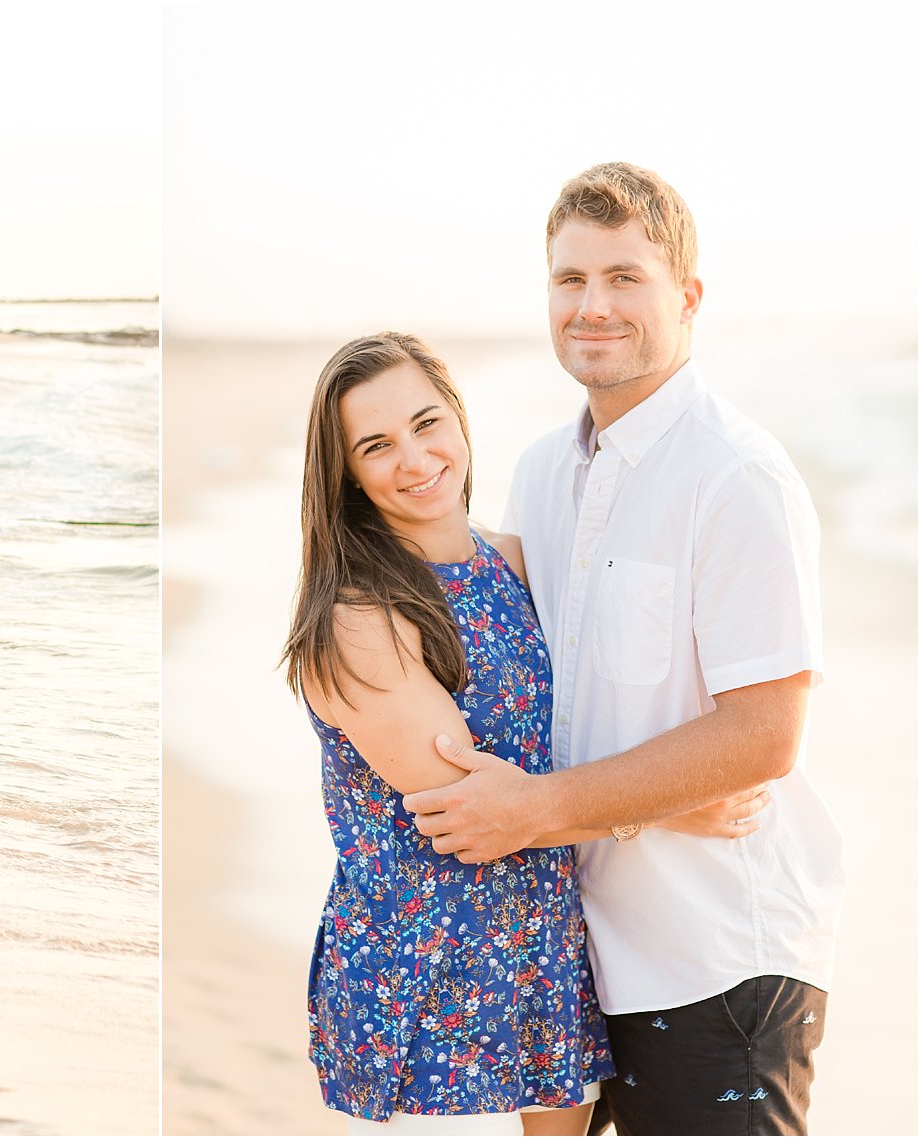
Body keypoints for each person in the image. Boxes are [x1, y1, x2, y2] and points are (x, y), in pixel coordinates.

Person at [403, 163, 842, 1135]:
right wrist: (656, 802)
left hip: (716, 963)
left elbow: (764, 737)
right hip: (575, 954)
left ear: (685, 297)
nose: (590, 305)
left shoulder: (733, 477)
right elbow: (517, 691)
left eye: (622, 277)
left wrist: (540, 808)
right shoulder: (539, 472)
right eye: (568, 280)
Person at [282, 331, 626, 1135]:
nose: (415, 459)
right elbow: (472, 814)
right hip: (427, 977)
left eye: (426, 422)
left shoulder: (514, 562)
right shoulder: (357, 620)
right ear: (346, 476)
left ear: (460, 421)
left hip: (541, 937)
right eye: (376, 445)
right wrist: (673, 806)